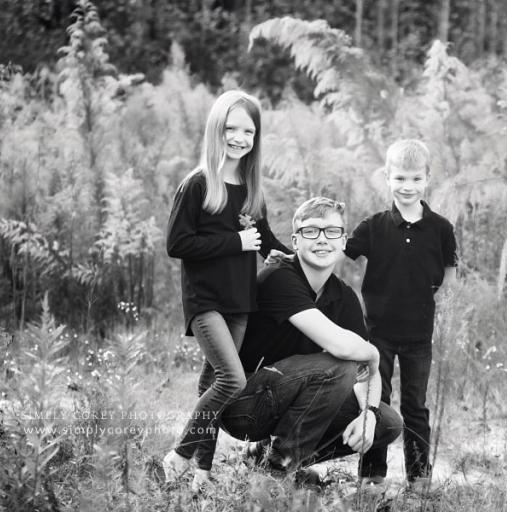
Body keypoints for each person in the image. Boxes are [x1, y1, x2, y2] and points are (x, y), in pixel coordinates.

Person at [218, 197, 403, 482]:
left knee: (387, 423)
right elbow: (345, 350)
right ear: (295, 240)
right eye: (311, 231)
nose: (322, 239)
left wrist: (369, 413)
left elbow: (368, 374)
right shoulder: (278, 278)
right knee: (339, 367)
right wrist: (374, 354)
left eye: (331, 231)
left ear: (343, 241)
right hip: (244, 405)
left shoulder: (343, 297)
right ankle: (276, 471)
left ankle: (266, 456)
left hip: (290, 396)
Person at [163, 90, 291, 491]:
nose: (239, 137)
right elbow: (177, 244)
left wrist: (305, 254)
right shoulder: (198, 184)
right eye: (231, 128)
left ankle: (201, 474)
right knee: (231, 381)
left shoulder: (250, 190)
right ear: (216, 130)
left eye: (248, 130)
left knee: (210, 386)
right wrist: (235, 243)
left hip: (240, 302)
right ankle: (178, 456)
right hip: (206, 302)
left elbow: (267, 241)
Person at [344, 139, 457, 489]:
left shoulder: (440, 228)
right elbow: (342, 258)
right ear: (387, 178)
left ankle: (419, 478)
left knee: (416, 407)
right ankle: (372, 476)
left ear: (427, 179)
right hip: (377, 334)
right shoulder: (373, 226)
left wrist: (436, 303)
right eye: (400, 179)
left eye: (414, 179)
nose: (407, 187)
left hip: (419, 335)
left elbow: (449, 274)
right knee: (377, 401)